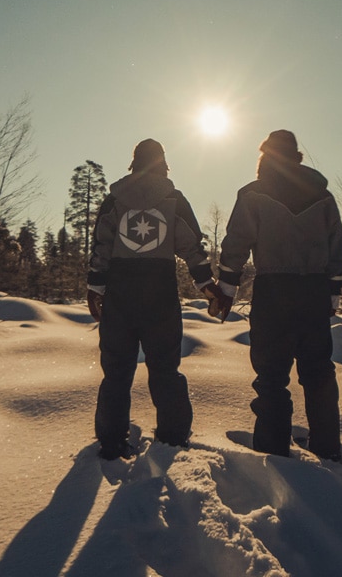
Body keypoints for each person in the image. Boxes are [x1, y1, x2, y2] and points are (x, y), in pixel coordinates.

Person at [212, 130, 342, 461]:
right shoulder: (322, 196)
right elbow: (336, 246)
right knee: (318, 373)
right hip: (314, 291)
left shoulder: (253, 194)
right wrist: (333, 291)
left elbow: (236, 243)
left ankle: (273, 452)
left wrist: (226, 289)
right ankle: (327, 449)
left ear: (265, 157)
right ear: (296, 156)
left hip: (274, 292)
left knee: (272, 377)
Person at [86, 138, 224, 460]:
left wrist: (96, 288)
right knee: (165, 368)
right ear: (163, 163)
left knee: (117, 370)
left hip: (120, 294)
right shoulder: (174, 199)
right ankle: (173, 440)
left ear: (134, 163)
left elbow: (101, 249)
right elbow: (192, 248)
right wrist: (207, 286)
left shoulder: (114, 200)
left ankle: (111, 442)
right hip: (160, 294)